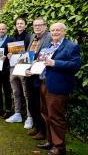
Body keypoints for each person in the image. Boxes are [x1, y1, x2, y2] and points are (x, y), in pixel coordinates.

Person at [36, 22, 81, 155]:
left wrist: (55, 63)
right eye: (53, 30)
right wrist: (32, 69)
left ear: (64, 32)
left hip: (58, 86)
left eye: (58, 30)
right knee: (45, 114)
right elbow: (42, 63)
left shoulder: (71, 46)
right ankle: (50, 141)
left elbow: (75, 65)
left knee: (56, 117)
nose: (55, 32)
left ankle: (60, 147)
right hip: (44, 83)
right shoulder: (49, 46)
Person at [25, 18, 52, 140]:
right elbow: (29, 54)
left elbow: (48, 55)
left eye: (40, 25)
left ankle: (43, 131)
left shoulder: (49, 37)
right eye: (35, 25)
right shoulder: (32, 37)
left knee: (40, 104)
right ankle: (37, 127)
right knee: (32, 103)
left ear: (45, 26)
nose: (37, 27)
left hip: (41, 75)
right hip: (30, 73)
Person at [6, 18, 33, 129]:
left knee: (26, 93)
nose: (19, 25)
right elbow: (11, 52)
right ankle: (17, 114)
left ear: (25, 25)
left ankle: (29, 117)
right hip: (13, 67)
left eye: (21, 23)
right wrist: (9, 55)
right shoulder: (13, 37)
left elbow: (31, 52)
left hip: (24, 67)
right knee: (16, 91)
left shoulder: (30, 37)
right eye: (17, 23)